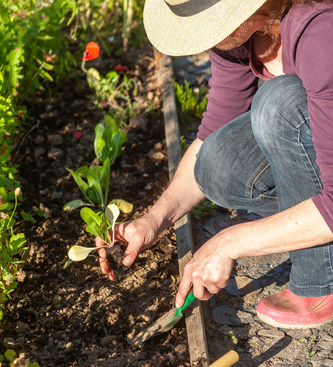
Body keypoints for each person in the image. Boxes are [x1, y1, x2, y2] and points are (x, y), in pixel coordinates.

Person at [98, 0, 333, 329]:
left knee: (277, 106)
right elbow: (212, 132)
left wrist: (229, 242)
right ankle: (310, 219)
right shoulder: (240, 34)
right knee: (216, 165)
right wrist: (153, 219)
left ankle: (318, 285)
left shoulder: (321, 31)